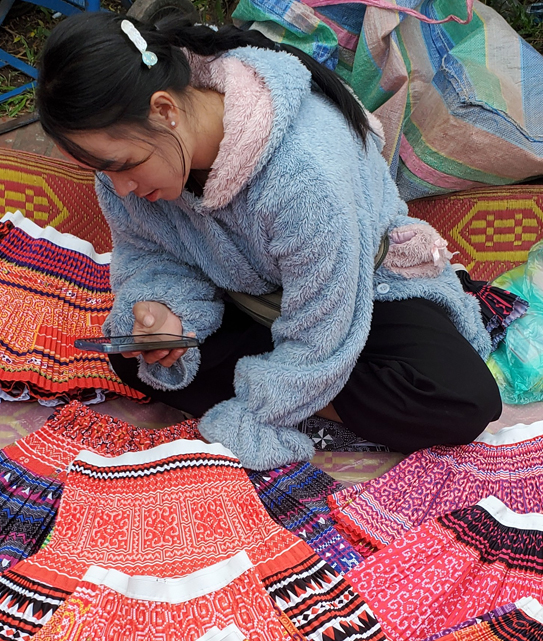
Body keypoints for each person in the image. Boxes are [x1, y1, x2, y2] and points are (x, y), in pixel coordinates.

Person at [35, 12, 502, 470]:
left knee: (462, 401)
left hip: (361, 288)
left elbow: (324, 322)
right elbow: (150, 255)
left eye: (121, 165)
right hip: (251, 298)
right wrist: (163, 311)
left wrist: (266, 404)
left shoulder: (303, 171)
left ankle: (291, 392)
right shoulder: (124, 169)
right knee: (130, 356)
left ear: (164, 110)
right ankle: (313, 396)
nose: (118, 189)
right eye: (101, 170)